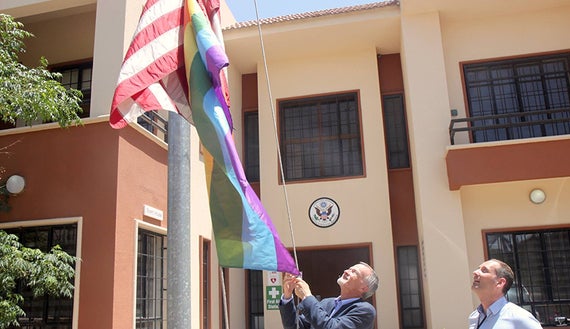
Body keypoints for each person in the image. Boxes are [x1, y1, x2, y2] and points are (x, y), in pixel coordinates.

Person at [279, 262, 379, 329]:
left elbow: (330, 327)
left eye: (354, 272)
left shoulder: (365, 311)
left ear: (364, 288)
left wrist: (307, 297)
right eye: (349, 269)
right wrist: (287, 296)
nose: (346, 271)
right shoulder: (327, 303)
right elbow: (294, 326)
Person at [469, 259, 542, 329]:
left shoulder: (519, 317)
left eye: (484, 270)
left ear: (500, 283)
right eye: (478, 269)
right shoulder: (475, 317)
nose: (475, 272)